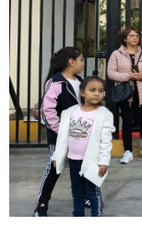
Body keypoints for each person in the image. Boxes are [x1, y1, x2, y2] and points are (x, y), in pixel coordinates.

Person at [52, 77, 115, 217]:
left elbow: (106, 141)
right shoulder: (69, 112)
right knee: (76, 192)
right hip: (74, 160)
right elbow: (62, 138)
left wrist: (103, 162)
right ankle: (78, 216)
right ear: (82, 92)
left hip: (92, 161)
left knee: (92, 192)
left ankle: (96, 216)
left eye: (100, 91)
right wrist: (57, 157)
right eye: (92, 90)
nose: (97, 94)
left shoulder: (104, 114)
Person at [33, 47, 85, 217]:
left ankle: (86, 196)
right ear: (71, 62)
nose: (83, 64)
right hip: (59, 137)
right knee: (54, 168)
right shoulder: (55, 83)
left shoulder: (81, 81)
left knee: (83, 167)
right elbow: (48, 111)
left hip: (81, 135)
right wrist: (62, 132)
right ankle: (42, 203)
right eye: (81, 60)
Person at [107, 26, 142, 164]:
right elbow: (111, 73)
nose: (135, 38)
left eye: (136, 36)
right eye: (131, 36)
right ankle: (128, 151)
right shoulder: (116, 55)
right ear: (125, 38)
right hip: (125, 94)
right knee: (127, 123)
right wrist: (128, 76)